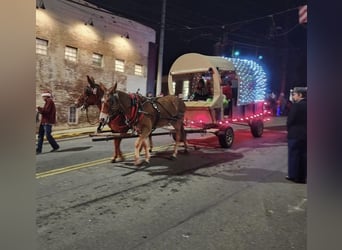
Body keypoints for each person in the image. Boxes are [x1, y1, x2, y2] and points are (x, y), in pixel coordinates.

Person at [286, 87, 307, 183]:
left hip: (295, 134)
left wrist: (288, 129)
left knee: (294, 155)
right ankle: (302, 177)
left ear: (300, 95)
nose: (293, 96)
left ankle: (293, 175)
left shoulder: (296, 106)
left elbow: (290, 120)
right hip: (306, 134)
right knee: (303, 156)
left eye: (294, 94)